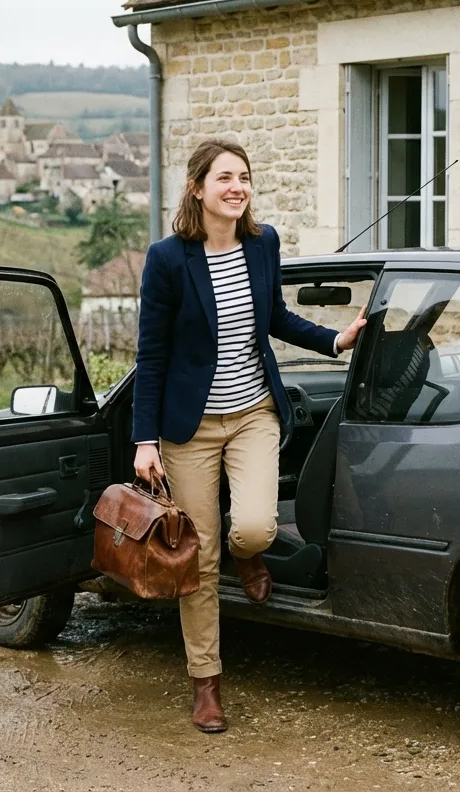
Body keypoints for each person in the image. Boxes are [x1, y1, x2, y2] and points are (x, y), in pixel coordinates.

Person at [132, 138, 366, 733]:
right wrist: (144, 440)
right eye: (224, 178)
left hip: (255, 412)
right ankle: (205, 682)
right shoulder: (167, 259)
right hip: (190, 430)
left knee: (256, 524)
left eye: (244, 177)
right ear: (197, 188)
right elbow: (151, 356)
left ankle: (250, 556)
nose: (237, 187)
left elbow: (277, 318)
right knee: (199, 557)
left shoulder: (263, 244)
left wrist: (335, 339)